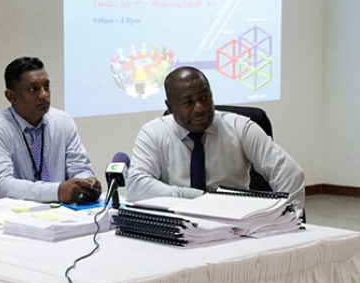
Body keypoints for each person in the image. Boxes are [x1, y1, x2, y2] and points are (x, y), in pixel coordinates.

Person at [127, 66, 305, 206]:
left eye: (205, 97)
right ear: (171, 106)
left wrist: (286, 219)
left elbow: (290, 174)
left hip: (234, 222)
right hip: (179, 222)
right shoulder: (153, 133)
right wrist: (194, 197)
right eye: (188, 102)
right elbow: (136, 186)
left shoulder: (240, 127)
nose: (200, 108)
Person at [0, 57, 101, 203]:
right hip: (7, 217)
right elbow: (0, 187)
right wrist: (57, 191)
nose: (44, 95)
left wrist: (86, 182)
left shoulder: (62, 121)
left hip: (57, 213)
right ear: (10, 96)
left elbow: (79, 167)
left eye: (46, 87)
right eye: (33, 89)